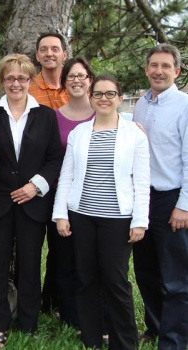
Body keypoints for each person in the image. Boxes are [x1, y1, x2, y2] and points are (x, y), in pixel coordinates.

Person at [53, 74, 150, 350]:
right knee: (86, 279)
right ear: (91, 98)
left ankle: (125, 342)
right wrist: (61, 213)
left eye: (110, 94)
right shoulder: (79, 133)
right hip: (82, 216)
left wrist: (140, 220)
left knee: (116, 280)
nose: (104, 99)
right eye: (98, 94)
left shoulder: (135, 135)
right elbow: (67, 175)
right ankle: (91, 339)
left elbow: (142, 181)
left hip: (118, 220)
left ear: (120, 98)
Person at [0, 53, 63, 347]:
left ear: (30, 80)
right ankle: (0, 323)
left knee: (30, 265)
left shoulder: (46, 115)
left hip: (33, 202)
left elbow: (55, 157)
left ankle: (29, 324)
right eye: (10, 78)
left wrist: (36, 186)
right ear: (2, 81)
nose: (16, 83)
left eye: (22, 78)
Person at [132, 44, 188, 350]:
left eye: (166, 66)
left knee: (175, 278)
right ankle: (155, 328)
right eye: (153, 65)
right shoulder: (141, 103)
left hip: (172, 199)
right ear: (146, 69)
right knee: (146, 270)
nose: (158, 71)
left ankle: (174, 340)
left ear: (176, 71)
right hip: (143, 199)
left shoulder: (184, 106)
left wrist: (184, 205)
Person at [53, 57, 96, 327]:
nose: (77, 80)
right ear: (64, 82)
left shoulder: (104, 113)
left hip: (95, 199)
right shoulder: (53, 117)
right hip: (61, 198)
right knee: (64, 258)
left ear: (90, 80)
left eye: (82, 75)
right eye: (71, 76)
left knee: (91, 261)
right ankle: (69, 315)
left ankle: (92, 312)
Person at [28, 32, 69, 315]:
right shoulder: (28, 90)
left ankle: (55, 300)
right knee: (31, 246)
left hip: (71, 181)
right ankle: (30, 302)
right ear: (37, 56)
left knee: (62, 246)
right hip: (37, 180)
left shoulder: (77, 87)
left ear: (65, 54)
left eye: (55, 48)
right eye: (44, 49)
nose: (50, 53)